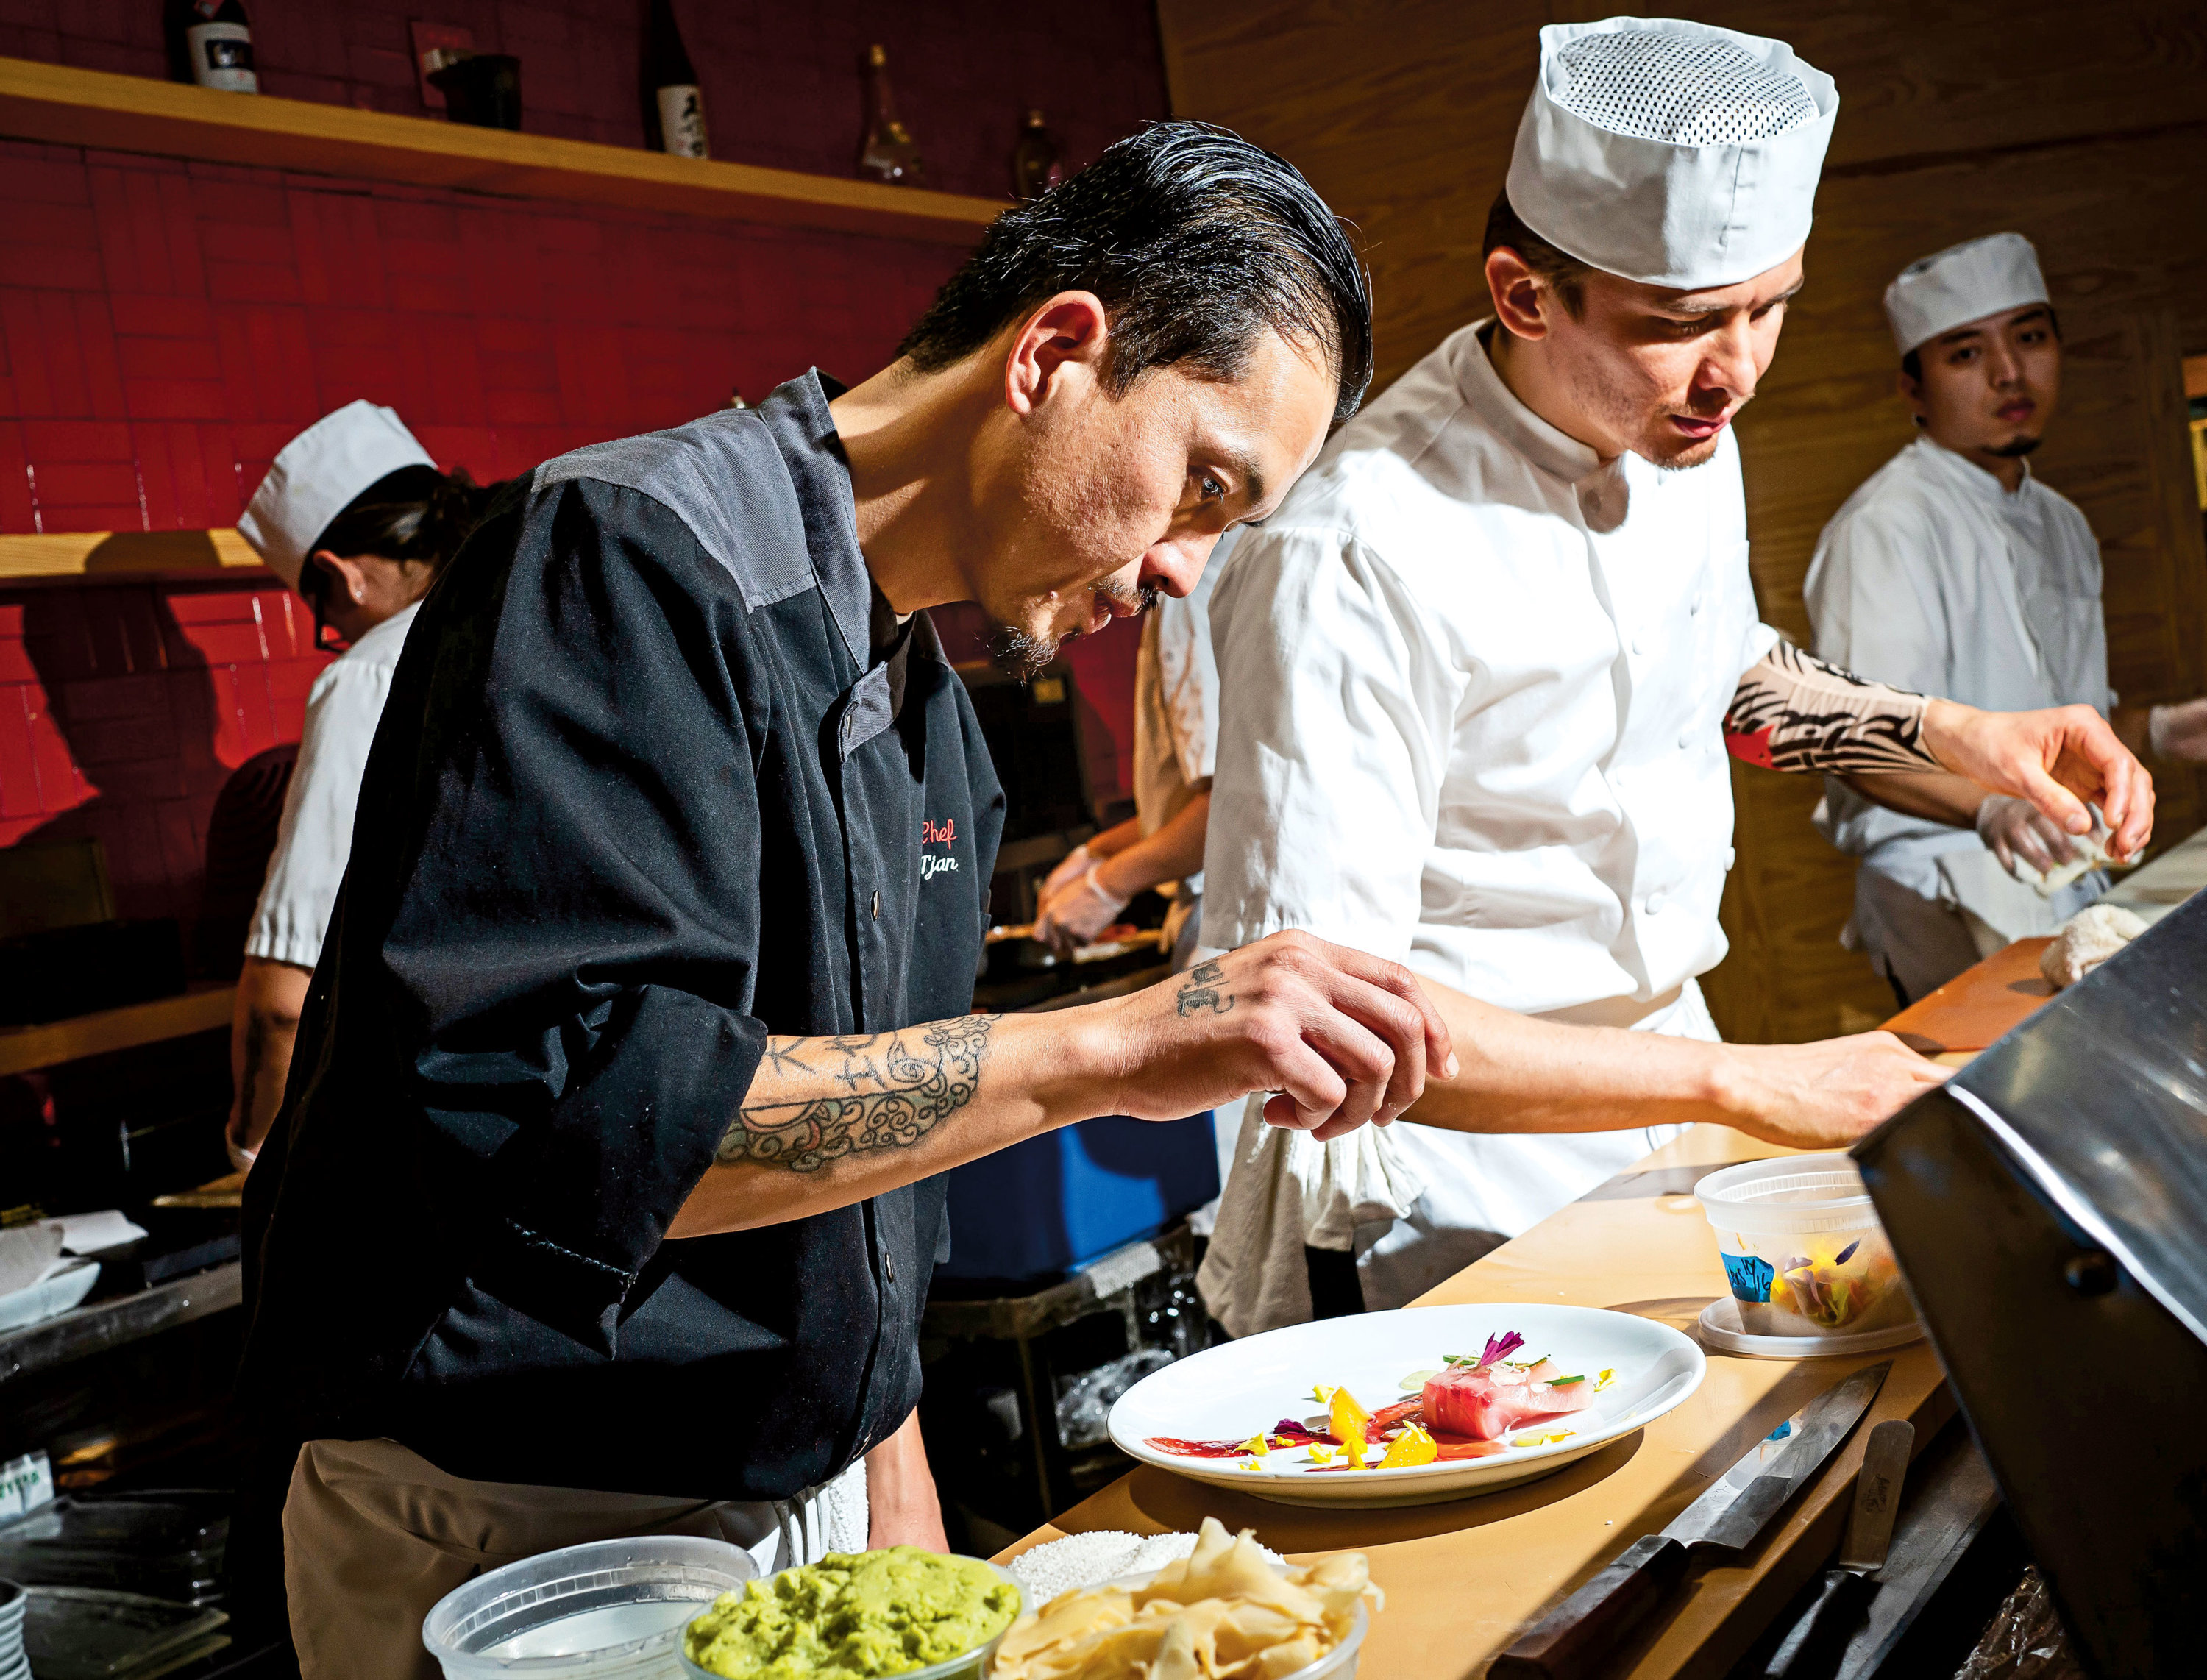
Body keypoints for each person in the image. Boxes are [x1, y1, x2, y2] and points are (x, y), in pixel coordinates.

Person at [232, 122, 1454, 1677]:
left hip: (780, 1503)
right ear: (1057, 353)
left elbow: (871, 1159)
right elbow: (590, 1126)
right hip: (513, 1529)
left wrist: (900, 1497)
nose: (1183, 571)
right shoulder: (621, 555)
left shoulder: (930, 707)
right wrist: (1118, 1044)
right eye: (1202, 485)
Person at [1195, 18, 2155, 1334]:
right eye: (1687, 323)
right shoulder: (1353, 547)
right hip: (1452, 1174)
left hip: (1674, 1112)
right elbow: (1316, 1018)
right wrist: (1741, 1079)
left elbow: (1728, 685)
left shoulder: (1678, 424)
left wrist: (1951, 733)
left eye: (1771, 307)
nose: (1740, 369)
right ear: (1526, 296)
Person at [1805, 233, 2207, 1002]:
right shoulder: (1884, 527)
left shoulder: (2062, 523)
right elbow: (1860, 743)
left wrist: (2164, 730)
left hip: (2065, 873)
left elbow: (2051, 734)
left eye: (2028, 338)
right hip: (1942, 888)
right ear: (1913, 389)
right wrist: (1988, 805)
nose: (2009, 373)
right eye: (1964, 354)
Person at [224, 402, 498, 1169]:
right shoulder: (537, 621)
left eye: (325, 614)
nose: (338, 635)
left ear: (335, 572)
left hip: (435, 1147)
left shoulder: (371, 674)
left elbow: (283, 1002)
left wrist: (253, 1158)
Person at [1033, 531, 1231, 970]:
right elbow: (1185, 802)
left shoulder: (1190, 595)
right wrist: (1096, 852)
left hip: (1222, 917)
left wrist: (1105, 886)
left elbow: (1226, 808)